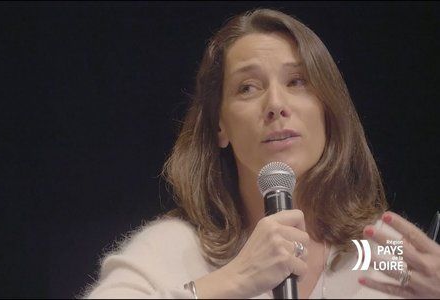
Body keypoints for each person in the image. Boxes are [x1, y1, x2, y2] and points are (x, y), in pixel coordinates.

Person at [83, 8, 440, 299]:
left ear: (327, 110)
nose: (276, 105)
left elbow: (404, 272)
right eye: (248, 87)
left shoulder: (366, 252)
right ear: (220, 126)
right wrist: (233, 281)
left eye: (296, 81)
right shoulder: (181, 251)